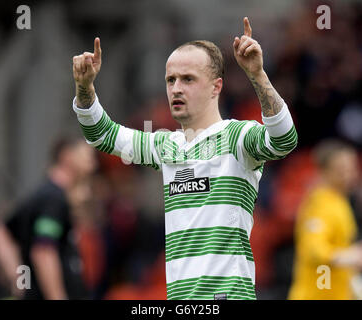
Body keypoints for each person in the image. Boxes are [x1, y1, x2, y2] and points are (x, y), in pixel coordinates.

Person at [72, 17, 298, 300]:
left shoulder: (238, 137)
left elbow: (285, 139)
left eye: (188, 79)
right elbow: (102, 135)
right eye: (171, 80)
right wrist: (85, 89)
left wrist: (257, 75)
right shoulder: (166, 145)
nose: (176, 88)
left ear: (216, 87)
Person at [0, 137, 97, 299]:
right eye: (87, 156)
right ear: (66, 156)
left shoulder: (46, 195)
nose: (93, 163)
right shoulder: (53, 198)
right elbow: (43, 251)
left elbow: (0, 229)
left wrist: (18, 277)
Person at [288, 139, 362, 300]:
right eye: (342, 169)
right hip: (316, 294)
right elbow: (313, 250)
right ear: (324, 171)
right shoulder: (320, 204)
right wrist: (348, 256)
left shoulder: (340, 201)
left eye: (351, 168)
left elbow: (340, 245)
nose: (349, 174)